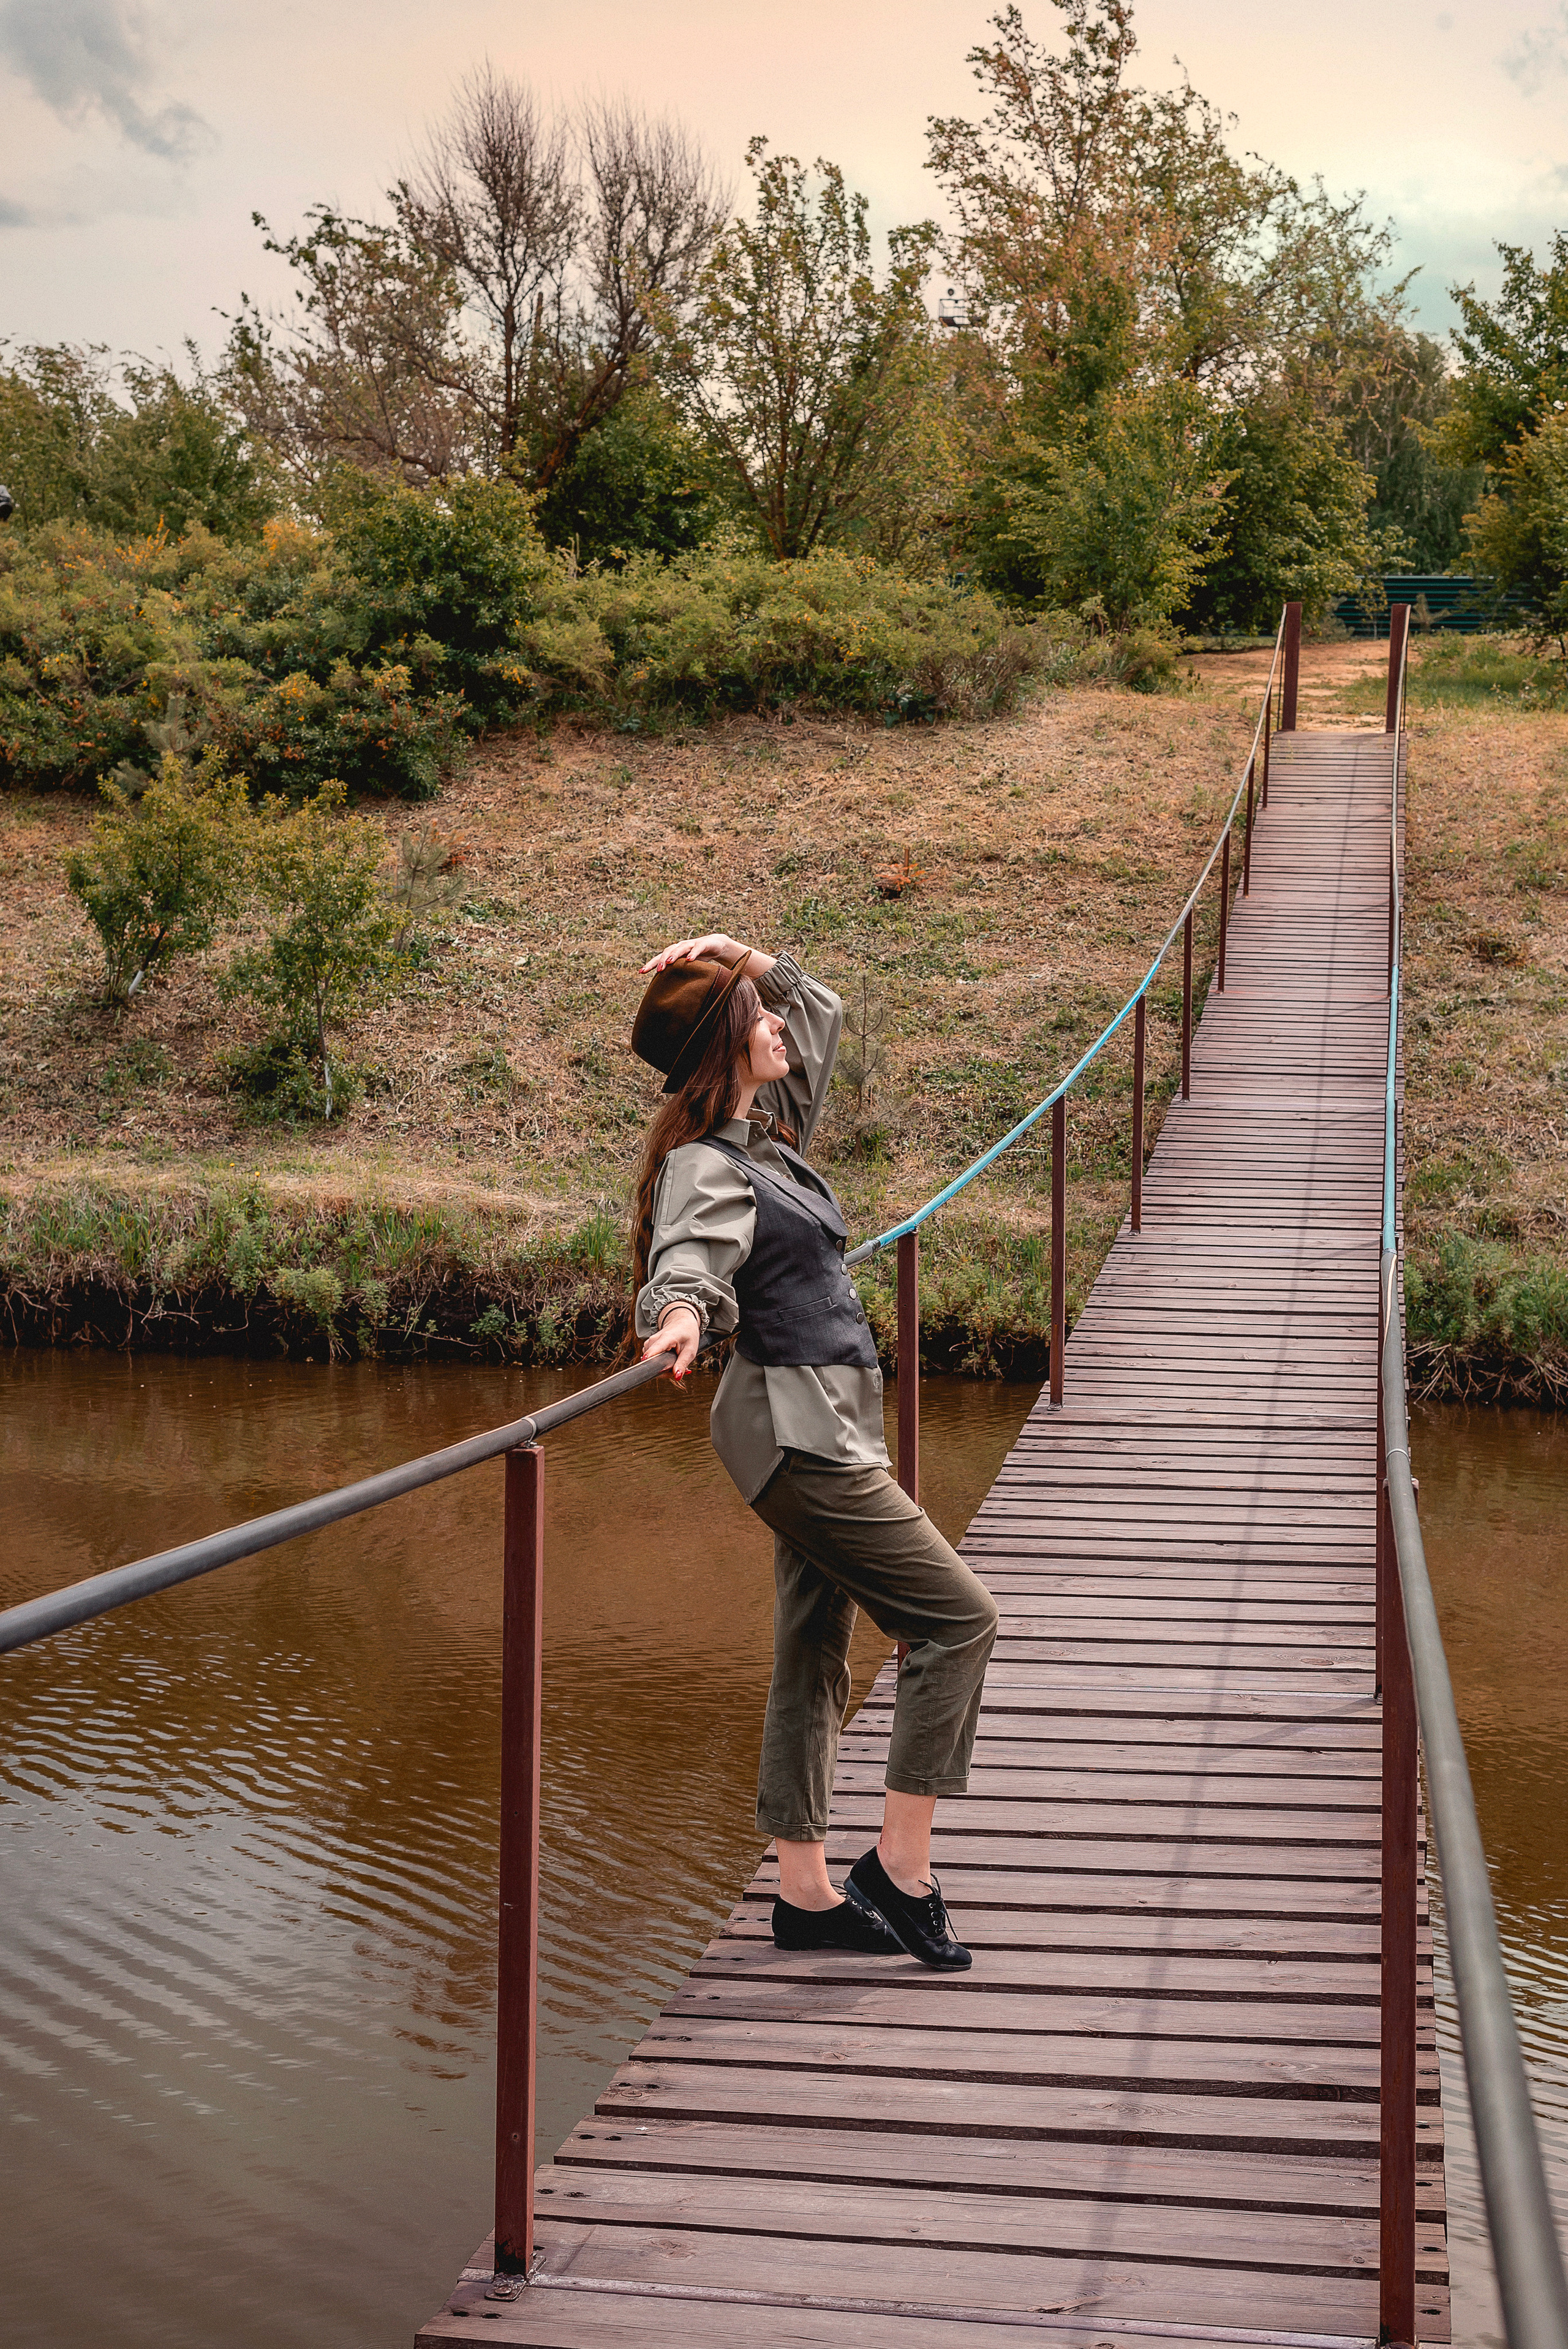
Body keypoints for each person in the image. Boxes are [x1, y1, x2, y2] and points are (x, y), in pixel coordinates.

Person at [628, 932, 999, 1970]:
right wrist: (681, 1316)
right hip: (796, 1433)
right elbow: (690, 1253)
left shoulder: (769, 1137)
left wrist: (751, 958)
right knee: (959, 1620)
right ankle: (903, 1871)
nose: (779, 1023)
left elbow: (819, 1011)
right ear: (723, 1047)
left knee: (813, 1644)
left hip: (829, 1420)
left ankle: (802, 1890)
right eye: (757, 1014)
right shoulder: (708, 1164)